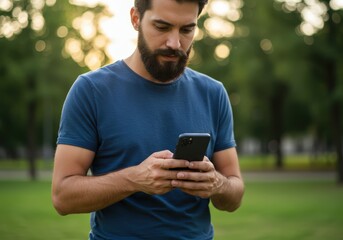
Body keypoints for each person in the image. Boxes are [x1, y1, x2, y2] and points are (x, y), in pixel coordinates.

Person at [52, 0, 244, 239]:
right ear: (135, 19)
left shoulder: (213, 93)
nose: (175, 44)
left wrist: (216, 183)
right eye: (162, 27)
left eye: (187, 29)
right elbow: (62, 197)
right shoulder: (91, 90)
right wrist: (134, 179)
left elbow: (234, 196)